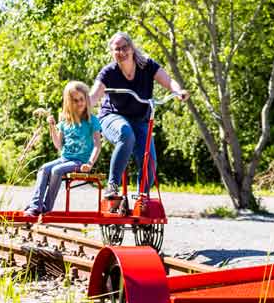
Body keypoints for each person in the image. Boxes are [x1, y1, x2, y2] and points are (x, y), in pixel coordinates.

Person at [87, 32, 186, 200]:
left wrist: (177, 92)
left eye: (125, 47)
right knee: (125, 133)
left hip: (140, 119)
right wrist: (78, 108)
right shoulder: (109, 72)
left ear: (132, 48)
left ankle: (143, 197)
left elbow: (168, 81)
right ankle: (112, 186)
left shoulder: (147, 66)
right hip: (112, 116)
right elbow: (93, 96)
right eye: (117, 49)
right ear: (112, 52)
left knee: (150, 161)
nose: (122, 52)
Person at [26, 81, 102, 216]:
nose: (79, 103)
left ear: (86, 100)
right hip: (65, 158)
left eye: (81, 99)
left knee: (56, 170)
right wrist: (52, 127)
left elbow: (97, 144)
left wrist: (90, 163)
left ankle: (47, 207)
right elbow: (58, 145)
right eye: (75, 100)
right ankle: (35, 206)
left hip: (80, 162)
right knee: (44, 169)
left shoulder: (92, 121)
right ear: (68, 102)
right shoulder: (65, 122)